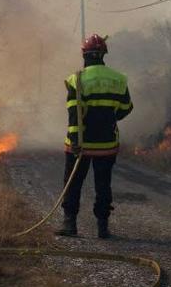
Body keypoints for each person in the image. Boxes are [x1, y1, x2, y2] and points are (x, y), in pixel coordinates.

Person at [57, 33, 133, 239]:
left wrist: (75, 142)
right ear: (103, 55)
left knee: (73, 183)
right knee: (103, 184)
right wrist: (109, 118)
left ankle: (70, 224)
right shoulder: (118, 79)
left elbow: (74, 115)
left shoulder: (77, 79)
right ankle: (102, 228)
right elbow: (126, 108)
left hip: (80, 144)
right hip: (107, 143)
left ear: (84, 54)